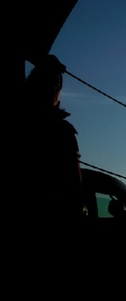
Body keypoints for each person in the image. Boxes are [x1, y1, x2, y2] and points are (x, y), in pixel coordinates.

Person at [21, 54, 84, 224]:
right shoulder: (63, 132)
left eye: (56, 85)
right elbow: (73, 192)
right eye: (48, 84)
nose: (53, 90)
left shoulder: (63, 131)